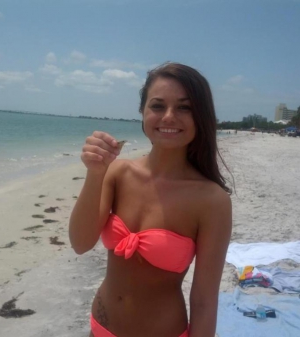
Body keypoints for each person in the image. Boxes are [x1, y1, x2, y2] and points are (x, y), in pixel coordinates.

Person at [69, 62, 232, 337]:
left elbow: (204, 301)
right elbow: (80, 243)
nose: (169, 117)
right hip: (100, 328)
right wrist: (95, 174)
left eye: (184, 107)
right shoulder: (118, 172)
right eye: (157, 106)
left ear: (201, 116)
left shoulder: (211, 200)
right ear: (143, 112)